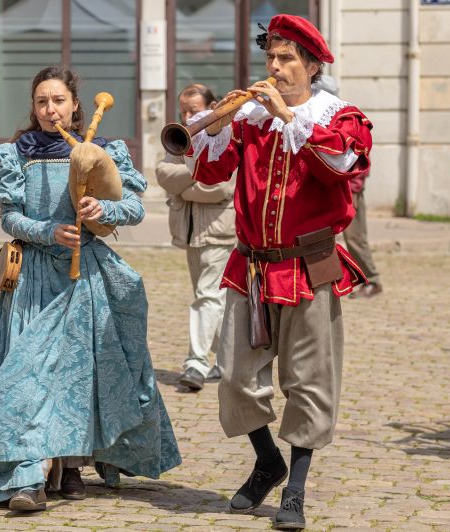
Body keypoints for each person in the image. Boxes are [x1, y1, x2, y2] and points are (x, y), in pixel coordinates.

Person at [0, 66, 181, 512]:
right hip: (36, 279)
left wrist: (104, 208)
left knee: (81, 376)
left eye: (58, 100)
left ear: (75, 105)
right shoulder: (15, 154)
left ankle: (73, 465)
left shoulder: (102, 150)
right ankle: (28, 476)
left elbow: (133, 207)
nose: (50, 109)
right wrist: (47, 231)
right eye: (42, 101)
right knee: (30, 378)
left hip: (88, 279)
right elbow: (9, 217)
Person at [184, 15, 372, 529]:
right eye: (270, 57)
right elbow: (208, 173)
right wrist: (217, 124)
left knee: (309, 381)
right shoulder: (250, 119)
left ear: (312, 65)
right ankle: (267, 460)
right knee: (237, 378)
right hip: (251, 266)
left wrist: (289, 116)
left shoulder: (340, 117)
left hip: (309, 265)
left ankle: (296, 488)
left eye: (287, 58)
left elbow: (339, 166)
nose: (275, 66)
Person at [156, 83, 236, 392]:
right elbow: (163, 173)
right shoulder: (180, 135)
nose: (188, 116)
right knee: (212, 300)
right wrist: (198, 175)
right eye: (184, 110)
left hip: (219, 231)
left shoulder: (224, 136)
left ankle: (196, 363)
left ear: (212, 106)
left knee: (207, 296)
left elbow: (222, 186)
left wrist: (188, 178)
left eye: (194, 110)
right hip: (189, 231)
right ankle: (227, 364)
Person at [313, 76, 382, 298]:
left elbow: (358, 161)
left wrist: (352, 188)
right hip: (326, 192)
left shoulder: (343, 117)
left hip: (348, 191)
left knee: (355, 238)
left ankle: (372, 280)